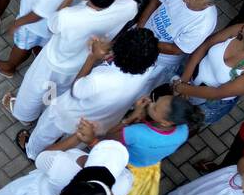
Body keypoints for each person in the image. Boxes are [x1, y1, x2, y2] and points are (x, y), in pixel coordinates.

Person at [4, 0, 136, 118]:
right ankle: (45, 112)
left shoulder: (69, 17)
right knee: (56, 91)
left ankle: (25, 115)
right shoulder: (128, 7)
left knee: (34, 88)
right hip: (79, 64)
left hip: (54, 61)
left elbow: (53, 24)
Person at [22, 25, 159, 159]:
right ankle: (56, 158)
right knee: (72, 146)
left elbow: (76, 90)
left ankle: (32, 152)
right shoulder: (149, 69)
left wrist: (92, 56)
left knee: (44, 134)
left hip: (67, 114)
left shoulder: (100, 79)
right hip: (99, 123)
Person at [100, 88, 204, 195]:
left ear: (166, 122)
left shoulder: (135, 132)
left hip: (123, 167)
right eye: (156, 101)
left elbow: (109, 138)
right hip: (147, 169)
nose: (151, 104)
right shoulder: (183, 130)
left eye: (155, 108)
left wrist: (131, 117)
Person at [173, 15, 244, 128]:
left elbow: (218, 93)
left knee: (184, 125)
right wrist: (184, 80)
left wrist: (182, 88)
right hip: (188, 77)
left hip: (206, 102)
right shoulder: (240, 30)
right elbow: (205, 45)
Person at [138, 0, 224, 92]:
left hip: (158, 60)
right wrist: (139, 28)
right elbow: (156, 0)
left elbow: (176, 49)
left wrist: (144, 43)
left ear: (208, 4)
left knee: (137, 88)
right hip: (139, 37)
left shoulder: (204, 23)